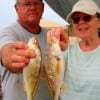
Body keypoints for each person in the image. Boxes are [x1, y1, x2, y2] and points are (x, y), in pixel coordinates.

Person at [0, 0, 67, 100]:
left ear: (43, 7)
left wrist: (65, 48)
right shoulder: (8, 32)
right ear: (16, 8)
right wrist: (8, 57)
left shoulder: (50, 36)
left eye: (36, 3)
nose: (32, 7)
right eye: (27, 4)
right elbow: (5, 50)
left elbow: (59, 69)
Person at [48, 0, 100, 100]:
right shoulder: (66, 52)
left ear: (99, 21)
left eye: (87, 17)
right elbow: (46, 73)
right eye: (76, 20)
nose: (81, 22)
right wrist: (51, 47)